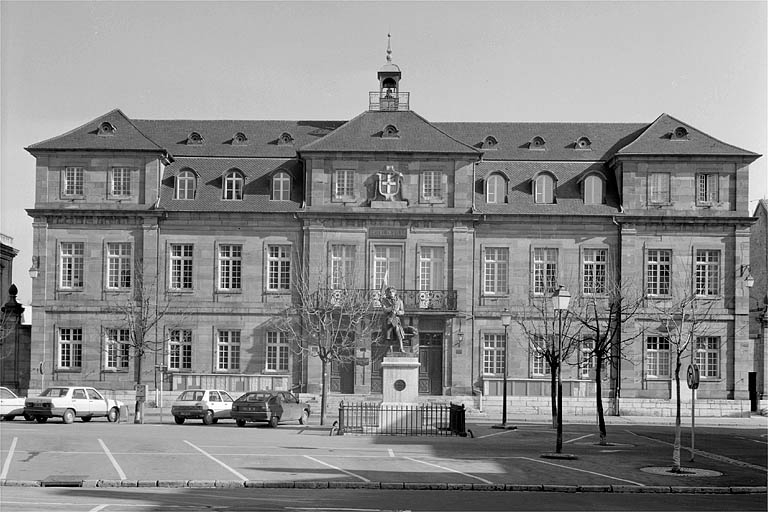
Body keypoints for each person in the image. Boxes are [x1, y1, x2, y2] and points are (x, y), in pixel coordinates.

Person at [381, 286, 406, 352]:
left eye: (392, 292)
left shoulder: (399, 301)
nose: (391, 293)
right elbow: (384, 310)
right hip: (388, 319)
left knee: (398, 331)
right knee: (389, 333)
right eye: (390, 292)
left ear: (395, 293)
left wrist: (397, 312)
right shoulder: (385, 301)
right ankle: (390, 348)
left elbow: (402, 311)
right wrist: (391, 308)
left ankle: (401, 347)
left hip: (396, 319)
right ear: (387, 293)